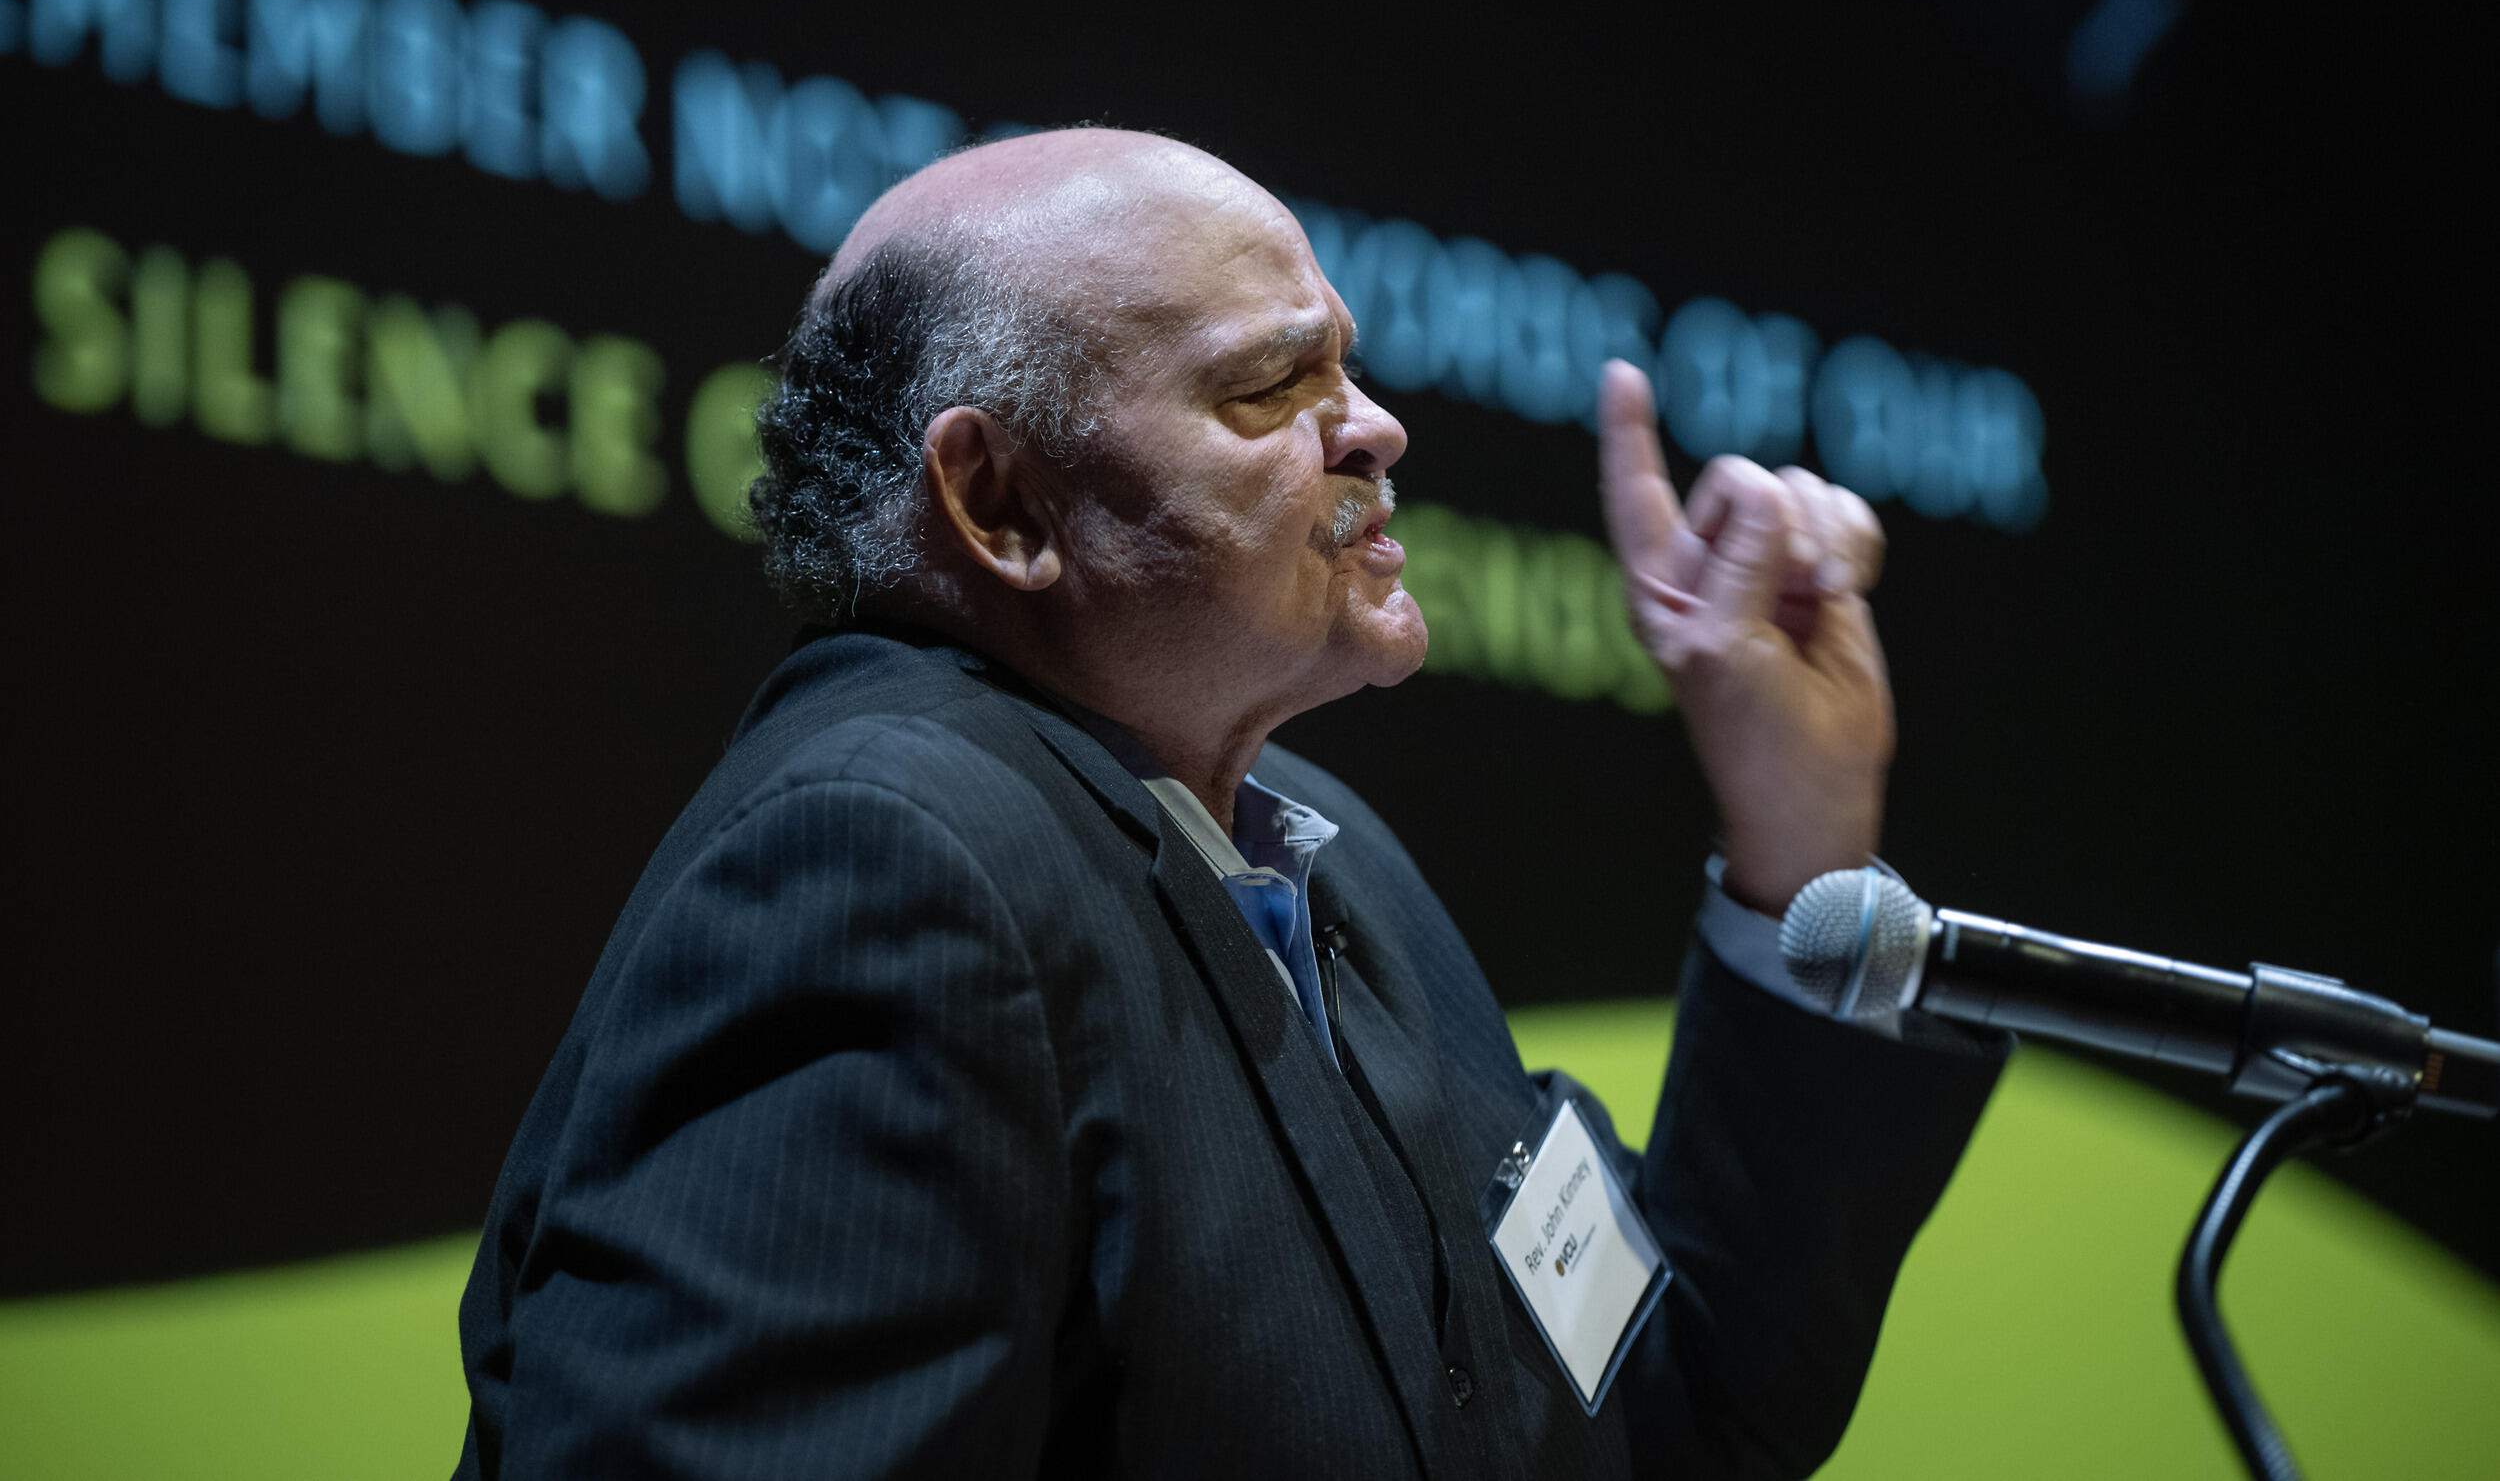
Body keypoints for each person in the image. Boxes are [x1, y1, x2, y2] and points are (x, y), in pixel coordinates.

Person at [453, 128, 2004, 1479]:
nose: (1378, 425)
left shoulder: (1330, 861)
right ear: (1002, 504)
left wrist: (1797, 827)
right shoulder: (881, 863)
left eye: (1346, 358)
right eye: (1276, 382)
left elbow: (1670, 1414)